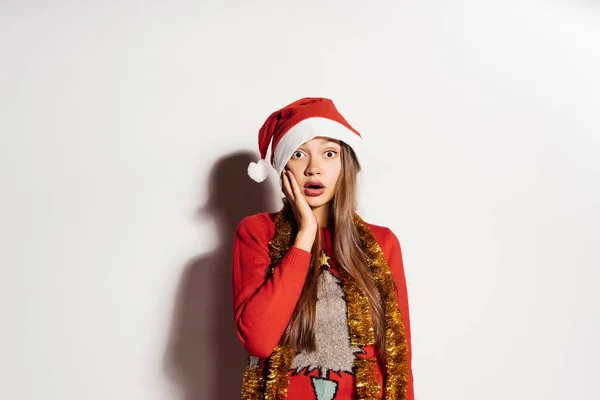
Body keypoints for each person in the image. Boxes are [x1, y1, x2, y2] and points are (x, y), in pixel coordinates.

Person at [232, 97, 414, 400]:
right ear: (283, 165)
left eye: (329, 153)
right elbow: (259, 341)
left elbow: (398, 359)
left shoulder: (382, 243)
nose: (314, 168)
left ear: (345, 164)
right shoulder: (257, 232)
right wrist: (305, 235)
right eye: (299, 154)